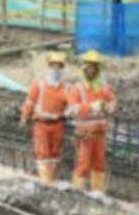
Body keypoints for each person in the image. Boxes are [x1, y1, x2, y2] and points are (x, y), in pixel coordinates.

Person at [66, 49, 117, 195]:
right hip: (85, 134)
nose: (91, 70)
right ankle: (77, 191)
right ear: (84, 68)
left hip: (100, 133)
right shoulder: (77, 88)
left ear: (97, 69)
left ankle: (97, 193)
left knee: (99, 164)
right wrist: (90, 107)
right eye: (89, 67)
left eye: (94, 67)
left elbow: (112, 99)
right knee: (83, 164)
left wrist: (110, 107)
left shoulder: (102, 86)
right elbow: (72, 109)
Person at [20, 52, 71, 186]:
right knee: (42, 154)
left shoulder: (66, 87)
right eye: (53, 66)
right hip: (41, 123)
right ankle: (46, 183)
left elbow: (72, 104)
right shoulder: (40, 84)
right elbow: (30, 102)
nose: (56, 69)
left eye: (59, 66)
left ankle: (51, 182)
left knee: (55, 155)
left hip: (58, 124)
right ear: (49, 67)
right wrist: (24, 117)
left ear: (62, 68)